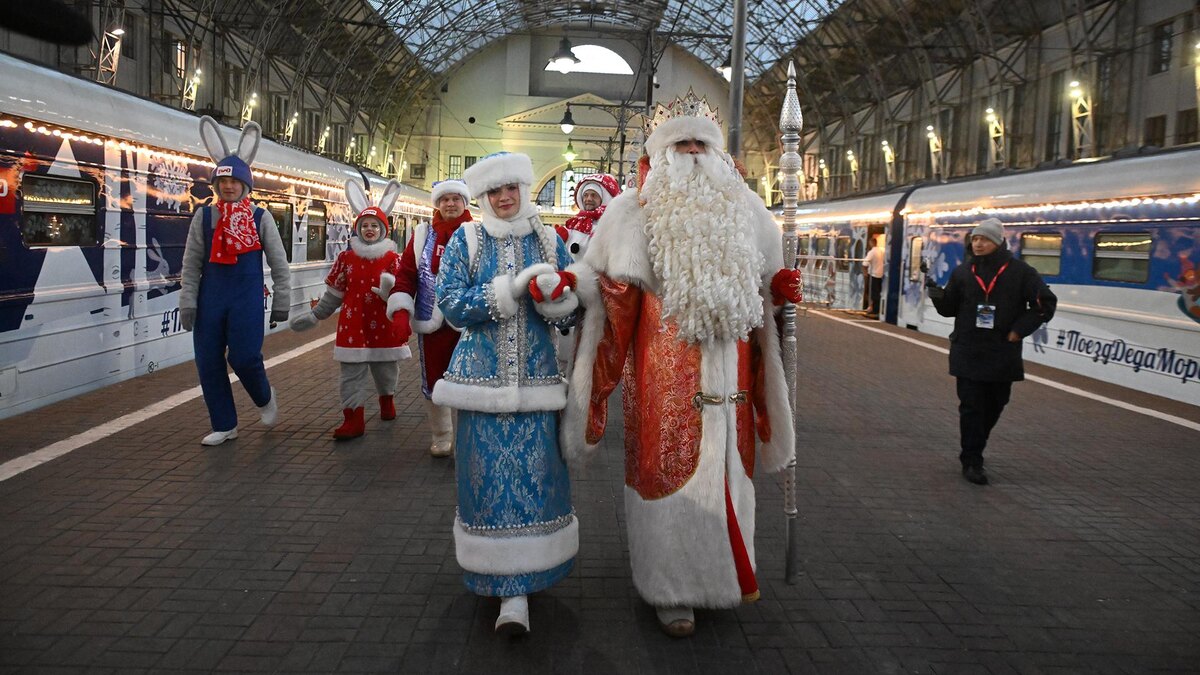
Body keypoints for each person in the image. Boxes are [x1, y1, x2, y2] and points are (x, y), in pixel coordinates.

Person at [563, 91, 800, 638]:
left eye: (701, 143)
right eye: (681, 143)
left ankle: (723, 578)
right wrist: (572, 292)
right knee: (668, 475)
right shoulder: (631, 213)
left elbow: (764, 293)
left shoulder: (750, 213)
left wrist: (779, 291)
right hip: (664, 382)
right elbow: (607, 294)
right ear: (662, 152)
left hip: (734, 379)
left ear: (717, 153)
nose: (692, 152)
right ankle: (671, 590)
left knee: (729, 474)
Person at [432, 152, 581, 636]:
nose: (503, 198)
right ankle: (503, 591)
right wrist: (508, 291)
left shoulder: (548, 238)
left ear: (523, 188)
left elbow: (569, 316)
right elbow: (451, 304)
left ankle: (526, 582)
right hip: (481, 388)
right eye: (494, 192)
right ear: (483, 198)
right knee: (488, 488)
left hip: (537, 385)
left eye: (510, 188)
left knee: (536, 486)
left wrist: (558, 298)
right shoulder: (467, 239)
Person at [180, 117, 290, 446]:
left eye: (234, 182)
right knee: (208, 361)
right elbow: (191, 263)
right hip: (210, 298)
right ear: (215, 186)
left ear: (246, 185)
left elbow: (278, 262)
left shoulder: (260, 218)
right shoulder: (203, 217)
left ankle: (265, 397)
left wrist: (282, 300)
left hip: (246, 298)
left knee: (244, 357)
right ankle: (225, 424)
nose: (228, 187)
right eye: (222, 182)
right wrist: (188, 300)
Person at [927, 217, 1056, 485]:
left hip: (1002, 351)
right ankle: (972, 460)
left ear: (997, 242)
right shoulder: (963, 272)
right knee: (971, 407)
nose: (978, 243)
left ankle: (976, 444)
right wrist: (937, 296)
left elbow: (1045, 304)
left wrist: (1019, 330)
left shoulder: (1022, 273)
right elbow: (950, 309)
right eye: (974, 239)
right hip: (969, 349)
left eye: (983, 239)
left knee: (996, 403)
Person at [289, 180, 412, 440]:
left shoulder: (393, 260)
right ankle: (353, 419)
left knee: (386, 368)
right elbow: (334, 293)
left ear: (383, 230)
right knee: (350, 374)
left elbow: (404, 290)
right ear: (357, 229)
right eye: (364, 225)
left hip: (383, 323)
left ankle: (387, 399)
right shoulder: (345, 259)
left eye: (374, 226)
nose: (369, 230)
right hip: (353, 325)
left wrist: (394, 299)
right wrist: (316, 315)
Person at [386, 179, 473, 457]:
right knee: (434, 379)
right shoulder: (423, 234)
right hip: (432, 321)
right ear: (437, 203)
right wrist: (401, 308)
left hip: (470, 320)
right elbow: (407, 274)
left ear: (464, 203)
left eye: (455, 199)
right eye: (444, 199)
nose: (450, 204)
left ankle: (470, 436)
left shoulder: (477, 233)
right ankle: (442, 435)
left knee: (472, 380)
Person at [560, 173, 619, 260]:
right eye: (585, 195)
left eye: (593, 195)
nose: (588, 199)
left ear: (603, 198)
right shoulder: (573, 224)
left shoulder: (612, 224)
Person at [863, 234, 885, 316]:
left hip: (873, 275)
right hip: (881, 275)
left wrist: (865, 273)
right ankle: (875, 308)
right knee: (878, 292)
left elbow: (865, 263)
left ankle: (875, 310)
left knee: (873, 293)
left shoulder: (872, 252)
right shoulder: (882, 250)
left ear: (871, 243)